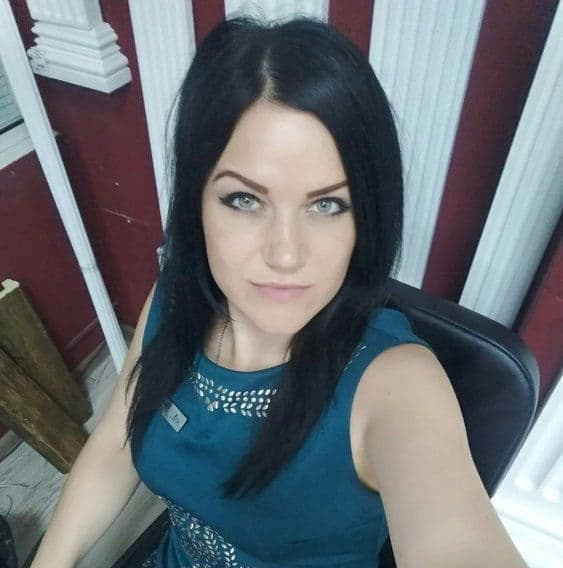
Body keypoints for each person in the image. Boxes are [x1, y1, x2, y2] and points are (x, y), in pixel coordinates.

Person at [31, 15, 528, 568]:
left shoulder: (395, 384)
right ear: (197, 201)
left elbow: (457, 543)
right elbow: (116, 443)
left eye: (327, 204)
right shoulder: (177, 296)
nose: (286, 255)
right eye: (244, 200)